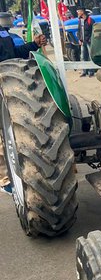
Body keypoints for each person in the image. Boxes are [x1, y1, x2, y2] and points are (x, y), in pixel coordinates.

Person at [0, 27, 47, 194]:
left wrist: (33, 44)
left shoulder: (3, 33)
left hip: (11, 83)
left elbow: (14, 53)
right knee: (2, 137)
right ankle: (5, 179)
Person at [77, 7, 96, 77]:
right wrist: (79, 39)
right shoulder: (80, 21)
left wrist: (91, 39)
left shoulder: (90, 20)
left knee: (90, 56)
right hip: (82, 42)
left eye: (79, 11)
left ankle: (91, 71)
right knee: (83, 57)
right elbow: (79, 30)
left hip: (89, 41)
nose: (78, 13)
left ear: (82, 12)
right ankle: (84, 71)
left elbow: (94, 30)